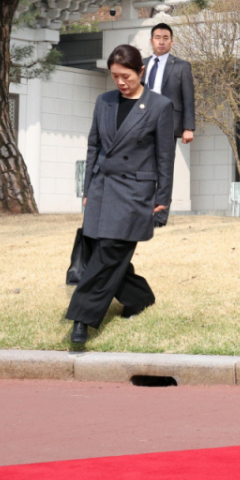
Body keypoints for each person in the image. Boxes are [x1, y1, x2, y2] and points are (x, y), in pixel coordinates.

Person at [67, 44, 175, 345]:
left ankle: (81, 320)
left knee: (109, 252)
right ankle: (140, 297)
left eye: (126, 75)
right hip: (102, 189)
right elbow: (94, 147)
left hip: (134, 193)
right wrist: (88, 189)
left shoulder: (159, 106)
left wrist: (162, 201)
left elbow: (165, 158)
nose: (120, 82)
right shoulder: (104, 102)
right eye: (114, 76)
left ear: (140, 71)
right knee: (98, 252)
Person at [143, 23, 194, 223]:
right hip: (143, 123)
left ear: (171, 42)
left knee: (164, 169)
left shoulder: (181, 66)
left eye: (165, 37)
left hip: (168, 123)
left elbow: (188, 99)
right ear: (151, 41)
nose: (161, 41)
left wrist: (188, 127)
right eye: (157, 37)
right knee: (143, 168)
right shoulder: (141, 64)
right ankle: (142, 212)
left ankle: (160, 216)